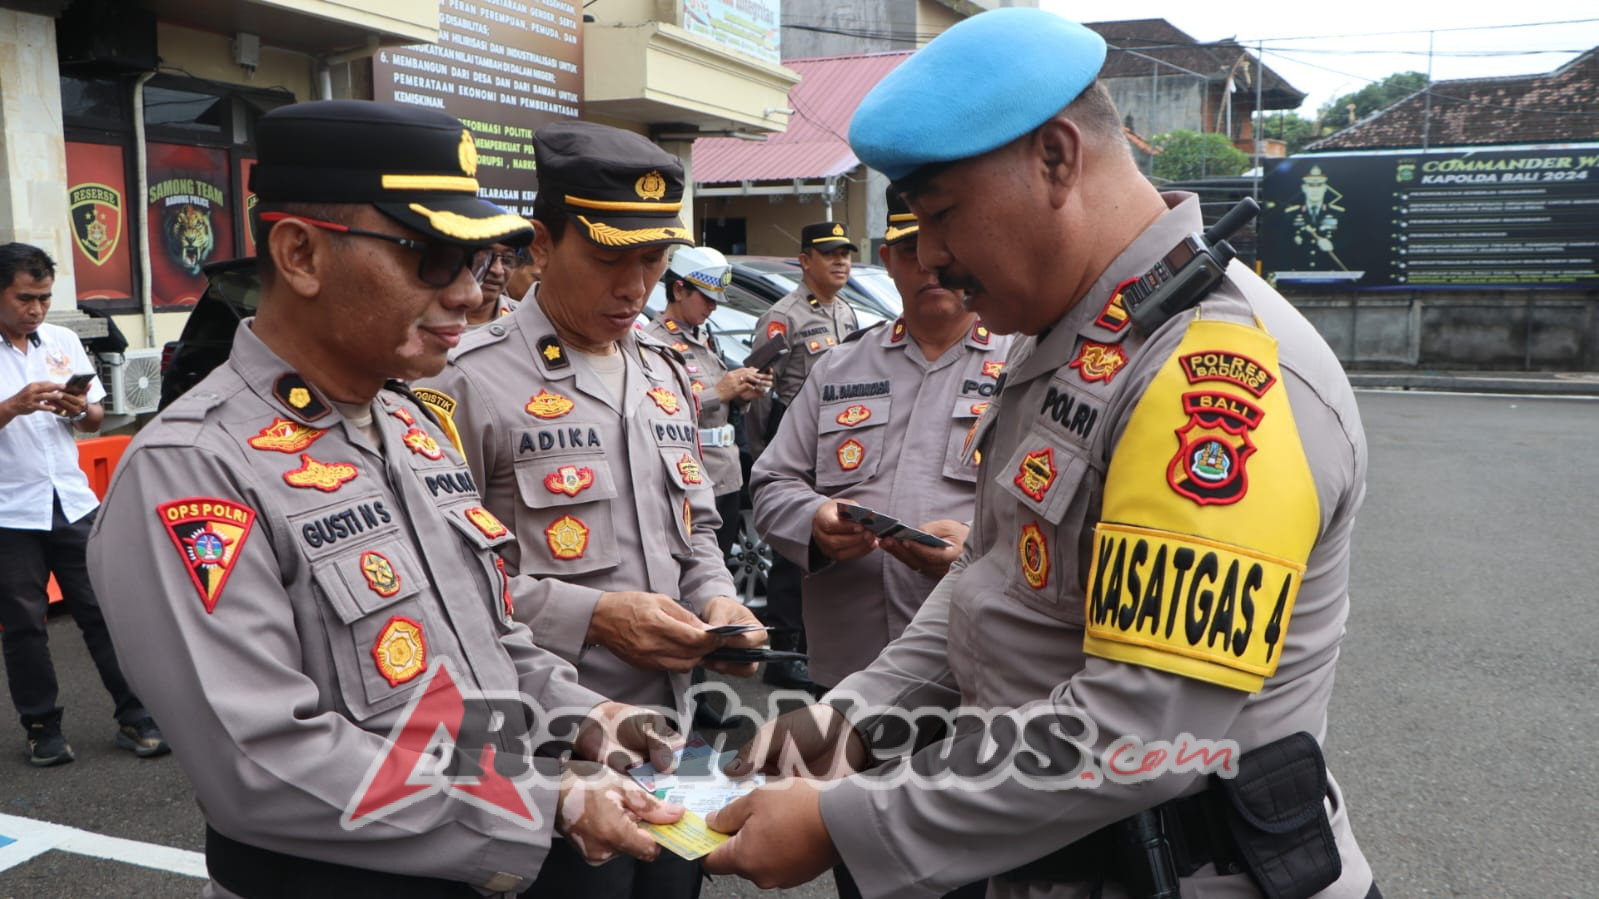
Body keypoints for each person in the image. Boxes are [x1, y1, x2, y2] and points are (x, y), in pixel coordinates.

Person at [704, 9, 1380, 899]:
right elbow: (985, 588)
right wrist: (842, 724)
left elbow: (1139, 728)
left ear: (1057, 158)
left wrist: (848, 822)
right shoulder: (1072, 340)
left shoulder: (1216, 377)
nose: (931, 260)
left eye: (942, 215)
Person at [86, 100, 685, 898]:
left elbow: (490, 639)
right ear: (300, 253)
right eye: (434, 256)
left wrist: (584, 714)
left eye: (476, 263)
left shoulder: (410, 423)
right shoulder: (194, 468)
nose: (470, 296)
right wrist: (544, 802)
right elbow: (260, 759)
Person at [414, 119, 766, 899]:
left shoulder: (664, 371)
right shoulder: (466, 382)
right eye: (610, 258)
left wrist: (718, 601)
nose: (635, 287)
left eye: (653, 260)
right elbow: (439, 580)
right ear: (541, 244)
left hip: (674, 734)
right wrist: (594, 615)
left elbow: (697, 526)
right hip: (552, 744)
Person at [748, 190, 1010, 899]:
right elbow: (770, 480)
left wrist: (973, 551)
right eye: (907, 250)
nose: (930, 266)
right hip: (852, 670)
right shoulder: (839, 368)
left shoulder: (1026, 365)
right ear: (887, 261)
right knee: (861, 868)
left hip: (975, 681)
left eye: (942, 251)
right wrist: (814, 519)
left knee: (972, 871)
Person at [0, 242, 167, 767]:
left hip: (71, 501)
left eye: (45, 298)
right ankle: (42, 726)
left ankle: (136, 714)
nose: (37, 310)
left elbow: (95, 417)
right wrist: (11, 407)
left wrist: (79, 408)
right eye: (26, 298)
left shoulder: (63, 340)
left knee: (103, 610)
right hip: (8, 511)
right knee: (25, 623)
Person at [746, 221, 861, 690]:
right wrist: (762, 450)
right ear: (805, 260)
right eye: (830, 254)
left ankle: (816, 644)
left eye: (846, 254)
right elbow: (757, 386)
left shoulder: (848, 312)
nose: (841, 262)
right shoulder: (784, 315)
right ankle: (784, 650)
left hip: (837, 436)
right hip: (792, 429)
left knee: (830, 536)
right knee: (794, 541)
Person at [644, 245, 770, 557]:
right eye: (706, 297)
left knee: (721, 563)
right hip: (689, 475)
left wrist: (744, 395)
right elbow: (656, 412)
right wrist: (720, 393)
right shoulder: (655, 341)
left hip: (725, 473)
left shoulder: (703, 336)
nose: (713, 307)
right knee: (694, 568)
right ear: (679, 289)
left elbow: (724, 405)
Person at [1286, 165, 1347, 270]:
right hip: (1298, 272)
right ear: (1304, 188)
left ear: (1324, 188)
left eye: (1319, 185)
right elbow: (1282, 243)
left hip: (1329, 273)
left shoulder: (1338, 213)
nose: (1315, 190)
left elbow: (1348, 241)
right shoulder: (1291, 214)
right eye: (1311, 185)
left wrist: (1333, 245)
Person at [468, 242, 520, 325]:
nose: (498, 270)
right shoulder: (440, 322)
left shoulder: (526, 322)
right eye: (485, 257)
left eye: (507, 259)